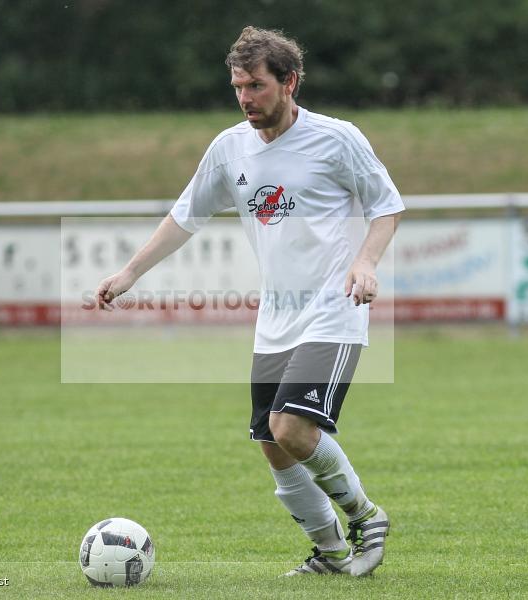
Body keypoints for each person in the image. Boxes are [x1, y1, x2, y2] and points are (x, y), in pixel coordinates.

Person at [95, 26, 403, 577]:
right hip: (276, 321)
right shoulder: (229, 147)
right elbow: (185, 216)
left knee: (293, 430)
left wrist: (366, 262)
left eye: (256, 86)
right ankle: (331, 553)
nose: (244, 98)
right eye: (237, 86)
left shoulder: (337, 138)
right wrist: (129, 273)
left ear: (290, 82)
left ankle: (365, 515)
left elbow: (387, 206)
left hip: (333, 310)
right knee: (273, 445)